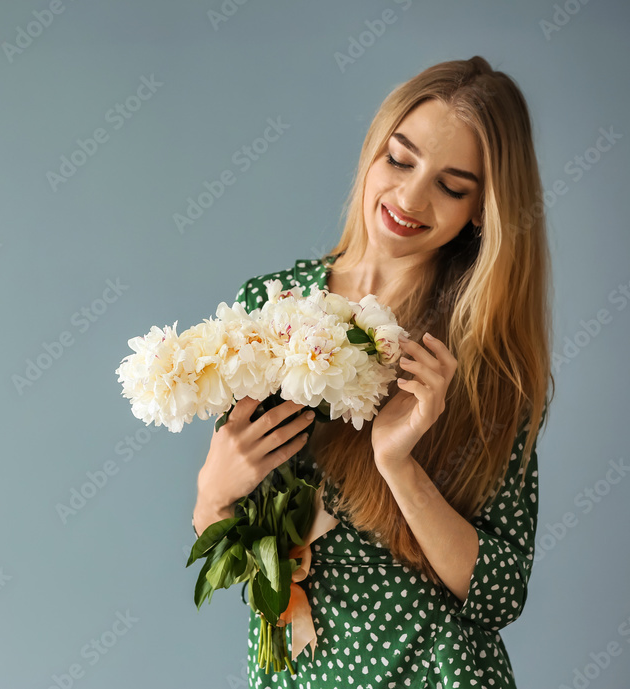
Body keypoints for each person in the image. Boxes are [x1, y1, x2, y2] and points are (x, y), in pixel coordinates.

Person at [192, 56, 554, 688]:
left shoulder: (486, 365)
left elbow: (500, 595)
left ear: (481, 211)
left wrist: (398, 465)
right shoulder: (271, 309)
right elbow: (241, 552)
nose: (410, 198)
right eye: (401, 159)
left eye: (452, 185)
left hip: (438, 672)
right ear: (372, 151)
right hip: (297, 672)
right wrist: (213, 491)